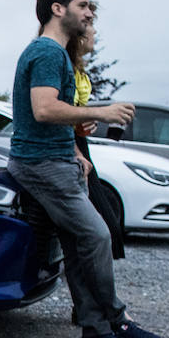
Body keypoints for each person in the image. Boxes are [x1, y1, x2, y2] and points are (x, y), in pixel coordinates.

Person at [6, 0, 161, 338]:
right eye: (84, 5)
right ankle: (115, 318)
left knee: (79, 245)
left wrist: (75, 147)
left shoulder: (52, 53)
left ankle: (95, 330)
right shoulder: (47, 52)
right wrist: (101, 111)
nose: (90, 13)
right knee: (98, 236)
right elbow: (43, 109)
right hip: (42, 165)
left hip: (56, 159)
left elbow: (46, 116)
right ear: (58, 9)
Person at [69, 20, 126, 260]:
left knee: (103, 220)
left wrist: (83, 125)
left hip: (78, 142)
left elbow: (73, 112)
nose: (94, 34)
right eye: (91, 30)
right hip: (68, 145)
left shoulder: (80, 69)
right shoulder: (65, 67)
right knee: (100, 222)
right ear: (80, 37)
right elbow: (54, 113)